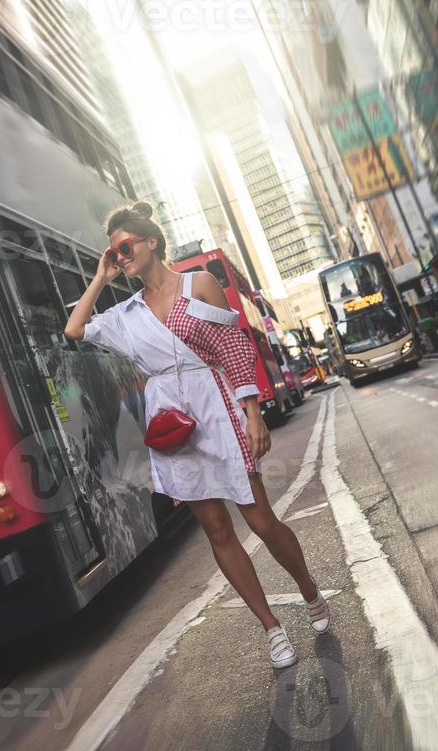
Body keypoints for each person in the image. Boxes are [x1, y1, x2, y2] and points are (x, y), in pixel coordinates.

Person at [64, 202, 328, 669]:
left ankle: (309, 592)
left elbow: (232, 347)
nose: (120, 256)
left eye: (125, 247)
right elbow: (75, 328)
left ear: (151, 241)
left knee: (260, 520)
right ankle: (271, 628)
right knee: (217, 529)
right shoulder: (125, 313)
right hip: (172, 424)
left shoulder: (199, 283)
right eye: (114, 251)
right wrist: (101, 277)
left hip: (219, 406)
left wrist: (253, 412)